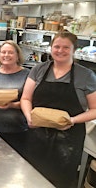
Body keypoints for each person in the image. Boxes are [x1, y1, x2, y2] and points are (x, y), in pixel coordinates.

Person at [21, 31, 96, 188]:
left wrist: (72, 120)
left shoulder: (86, 76)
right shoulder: (38, 70)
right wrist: (29, 117)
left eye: (66, 47)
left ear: (74, 49)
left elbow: (95, 109)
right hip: (38, 135)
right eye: (57, 46)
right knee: (32, 176)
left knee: (61, 181)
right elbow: (26, 99)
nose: (60, 51)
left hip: (68, 139)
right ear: (51, 48)